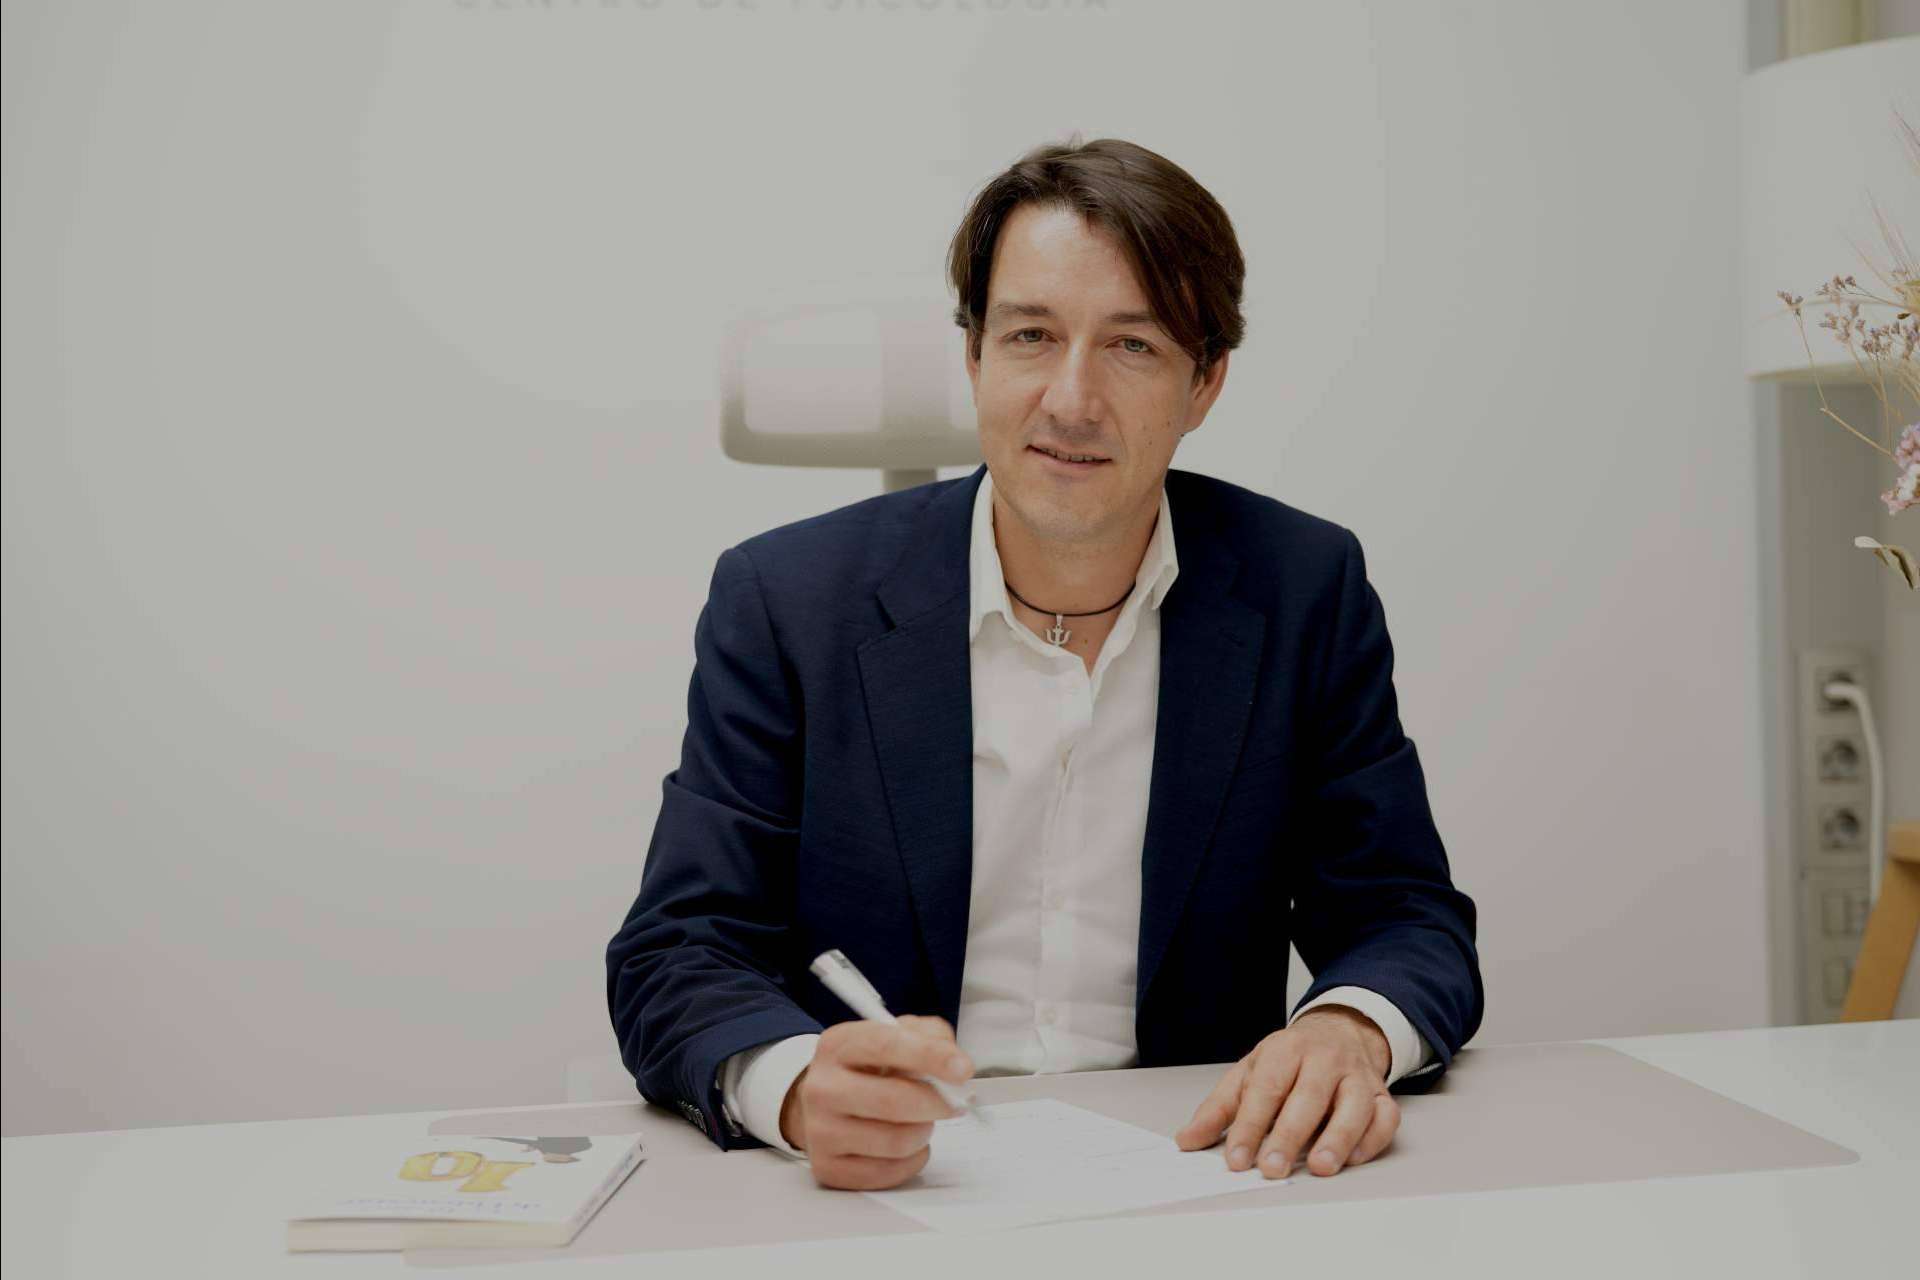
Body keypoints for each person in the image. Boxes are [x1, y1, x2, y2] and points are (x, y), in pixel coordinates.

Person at [606, 136, 1482, 1193]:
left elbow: (1404, 916)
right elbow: (678, 949)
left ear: (1205, 382)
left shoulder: (1303, 589)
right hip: (891, 1191)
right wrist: (794, 1086)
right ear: (974, 357)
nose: (1071, 399)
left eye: (1133, 346)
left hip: (1196, 1176)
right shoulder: (787, 601)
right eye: (1031, 335)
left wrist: (1349, 1028)